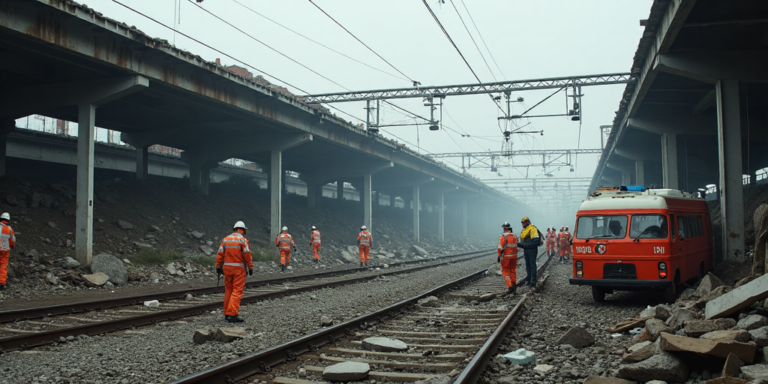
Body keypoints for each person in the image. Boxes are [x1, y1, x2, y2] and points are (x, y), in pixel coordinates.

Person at [215, 221, 253, 323]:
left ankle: (227, 313)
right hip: (238, 270)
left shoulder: (226, 239)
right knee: (237, 291)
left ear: (234, 229)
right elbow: (247, 255)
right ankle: (232, 314)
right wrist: (250, 267)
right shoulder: (243, 240)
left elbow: (220, 253)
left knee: (228, 290)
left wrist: (218, 266)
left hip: (226, 270)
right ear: (243, 230)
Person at [519, 217, 542, 287]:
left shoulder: (532, 228)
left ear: (526, 222)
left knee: (532, 265)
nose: (522, 224)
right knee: (528, 265)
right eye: (522, 222)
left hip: (532, 250)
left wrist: (525, 245)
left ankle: (533, 281)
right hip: (526, 249)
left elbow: (536, 241)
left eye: (523, 222)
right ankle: (529, 280)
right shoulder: (525, 230)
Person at [497, 222, 519, 295]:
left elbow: (500, 247)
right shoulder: (514, 235)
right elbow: (516, 245)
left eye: (503, 228)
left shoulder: (503, 236)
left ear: (505, 228)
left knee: (505, 270)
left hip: (506, 256)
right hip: (514, 256)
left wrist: (499, 256)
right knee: (512, 270)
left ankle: (510, 286)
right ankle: (514, 285)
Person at [0, 213, 16, 291]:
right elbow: (12, 241)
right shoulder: (9, 229)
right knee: (3, 265)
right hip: (5, 250)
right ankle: (2, 283)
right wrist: (11, 246)